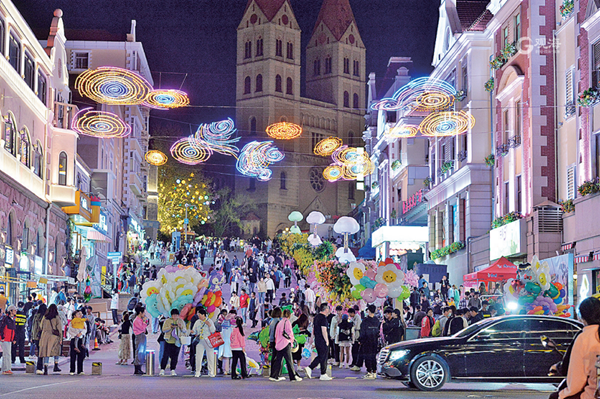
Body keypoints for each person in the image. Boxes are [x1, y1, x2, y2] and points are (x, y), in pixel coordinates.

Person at [551, 297, 600, 399]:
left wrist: (562, 394)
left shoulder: (584, 337)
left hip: (593, 394)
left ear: (581, 317)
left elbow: (576, 381)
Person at [271, 309, 302, 382]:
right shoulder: (287, 322)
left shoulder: (280, 322)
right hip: (285, 343)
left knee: (278, 360)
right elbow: (290, 333)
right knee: (289, 361)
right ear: (289, 315)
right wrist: (292, 342)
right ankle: (292, 377)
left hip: (279, 344)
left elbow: (276, 334)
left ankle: (275, 375)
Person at [305, 303, 333, 380]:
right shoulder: (323, 318)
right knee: (324, 356)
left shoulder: (316, 317)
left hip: (317, 339)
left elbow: (314, 329)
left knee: (321, 356)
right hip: (322, 340)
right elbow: (324, 330)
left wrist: (312, 338)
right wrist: (327, 341)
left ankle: (310, 368)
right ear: (326, 309)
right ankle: (323, 373)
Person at [37, 304, 63, 375]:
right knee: (56, 350)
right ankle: (56, 365)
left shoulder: (45, 317)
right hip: (53, 336)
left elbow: (41, 326)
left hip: (44, 336)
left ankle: (45, 368)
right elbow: (59, 329)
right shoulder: (57, 318)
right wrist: (61, 338)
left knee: (46, 352)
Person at [160, 308, 187, 376]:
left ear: (178, 315)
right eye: (173, 315)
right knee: (165, 356)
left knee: (175, 356)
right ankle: (162, 369)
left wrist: (180, 327)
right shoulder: (167, 321)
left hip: (177, 341)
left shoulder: (181, 321)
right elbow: (163, 330)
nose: (175, 317)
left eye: (176, 315)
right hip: (168, 340)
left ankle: (173, 369)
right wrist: (170, 327)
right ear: (171, 315)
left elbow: (184, 331)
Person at [192, 307, 216, 378]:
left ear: (203, 315)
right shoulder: (197, 322)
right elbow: (194, 331)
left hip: (208, 341)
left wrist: (209, 325)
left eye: (199, 315)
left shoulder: (210, 321)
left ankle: (211, 372)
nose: (198, 316)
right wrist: (192, 332)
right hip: (200, 341)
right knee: (198, 357)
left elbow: (213, 331)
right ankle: (197, 372)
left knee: (210, 357)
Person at [359, 304, 380, 379]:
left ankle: (369, 372)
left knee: (367, 356)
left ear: (368, 311)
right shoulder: (377, 320)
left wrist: (360, 340)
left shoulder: (365, 320)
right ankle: (374, 372)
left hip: (367, 341)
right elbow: (378, 331)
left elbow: (362, 331)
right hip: (375, 341)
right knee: (373, 356)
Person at [68, 309, 86, 375]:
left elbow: (85, 330)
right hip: (74, 339)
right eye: (78, 314)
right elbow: (70, 330)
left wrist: (81, 333)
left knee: (81, 355)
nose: (80, 315)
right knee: (73, 355)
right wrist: (76, 334)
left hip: (81, 340)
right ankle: (72, 370)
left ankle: (80, 370)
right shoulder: (71, 323)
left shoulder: (83, 322)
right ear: (75, 316)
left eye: (81, 314)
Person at [132, 305, 149, 375]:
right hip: (139, 335)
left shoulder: (140, 320)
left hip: (142, 335)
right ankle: (137, 368)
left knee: (142, 352)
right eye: (143, 312)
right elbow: (142, 328)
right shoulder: (137, 320)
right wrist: (145, 322)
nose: (144, 314)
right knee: (139, 351)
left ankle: (139, 367)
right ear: (140, 313)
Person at [0, 305, 16, 374]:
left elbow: (14, 330)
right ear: (10, 311)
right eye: (14, 310)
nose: (15, 311)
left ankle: (5, 369)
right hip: (5, 339)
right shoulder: (5, 319)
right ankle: (7, 369)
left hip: (9, 339)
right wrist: (2, 337)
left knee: (6, 354)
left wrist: (14, 338)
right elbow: (1, 328)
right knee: (7, 354)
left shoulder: (12, 319)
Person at [268, 307, 282, 380]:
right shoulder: (278, 321)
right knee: (277, 358)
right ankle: (275, 374)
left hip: (272, 340)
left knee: (274, 357)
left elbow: (270, 332)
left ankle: (272, 373)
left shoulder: (272, 321)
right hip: (276, 341)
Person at [348, 307, 362, 371]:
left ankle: (356, 363)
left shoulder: (358, 318)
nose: (349, 315)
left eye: (350, 314)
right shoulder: (353, 318)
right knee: (353, 350)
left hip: (357, 336)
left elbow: (357, 327)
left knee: (355, 350)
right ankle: (354, 362)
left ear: (353, 313)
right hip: (354, 337)